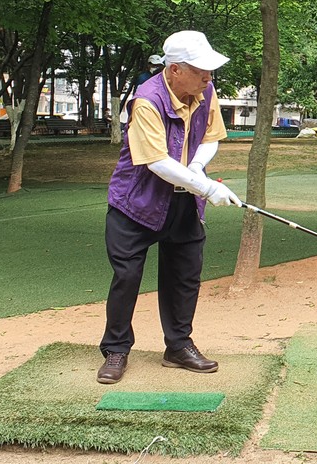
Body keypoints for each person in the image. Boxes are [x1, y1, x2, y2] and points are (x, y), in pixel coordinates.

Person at [97, 31, 242, 385]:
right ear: (175, 70)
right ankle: (116, 349)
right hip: (137, 203)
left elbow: (210, 137)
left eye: (210, 71)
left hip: (183, 199)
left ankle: (178, 347)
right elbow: (157, 162)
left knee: (185, 275)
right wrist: (206, 186)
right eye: (201, 70)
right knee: (127, 276)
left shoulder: (205, 91)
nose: (209, 77)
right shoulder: (146, 100)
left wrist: (195, 170)